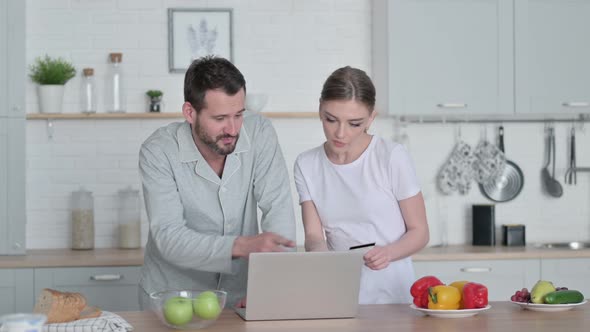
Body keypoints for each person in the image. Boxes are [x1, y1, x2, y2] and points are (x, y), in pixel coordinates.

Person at [138, 56, 296, 309]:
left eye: (239, 114)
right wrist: (242, 245)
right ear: (190, 112)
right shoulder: (158, 151)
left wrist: (271, 284)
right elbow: (169, 237)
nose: (233, 129)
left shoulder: (260, 133)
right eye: (220, 118)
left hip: (240, 298)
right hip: (174, 298)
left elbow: (279, 209)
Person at [293, 66, 429, 304]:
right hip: (339, 294)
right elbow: (314, 235)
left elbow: (420, 232)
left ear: (370, 118)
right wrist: (321, 258)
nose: (340, 133)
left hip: (392, 297)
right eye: (331, 119)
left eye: (354, 123)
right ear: (320, 110)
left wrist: (388, 253)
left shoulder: (391, 156)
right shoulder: (307, 164)